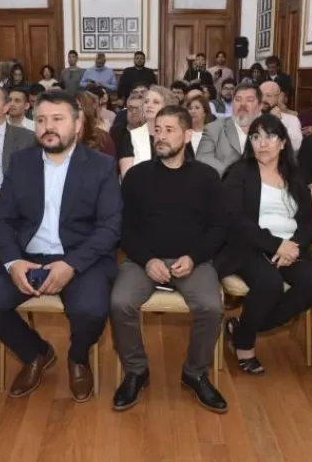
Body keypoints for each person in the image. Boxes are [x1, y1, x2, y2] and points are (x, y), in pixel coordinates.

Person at [0, 91, 122, 403]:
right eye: (40, 120)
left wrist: (71, 264)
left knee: (91, 310)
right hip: (29, 257)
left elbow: (110, 227)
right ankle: (35, 352)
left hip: (82, 258)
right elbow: (2, 220)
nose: (48, 127)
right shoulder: (21, 162)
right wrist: (13, 262)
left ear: (77, 124)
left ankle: (78, 357)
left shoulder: (101, 166)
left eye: (57, 119)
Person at [111, 105, 227, 413]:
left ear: (187, 136)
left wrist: (194, 257)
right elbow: (124, 228)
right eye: (157, 130)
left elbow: (219, 228)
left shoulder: (207, 177)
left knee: (211, 307)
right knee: (120, 302)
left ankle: (195, 372)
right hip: (143, 260)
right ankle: (136, 371)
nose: (160, 136)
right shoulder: (136, 176)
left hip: (193, 261)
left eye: (169, 130)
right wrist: (147, 260)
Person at [216, 114, 312, 374]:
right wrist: (275, 245)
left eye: (270, 136)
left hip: (290, 247)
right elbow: (234, 219)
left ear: (283, 142)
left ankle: (243, 329)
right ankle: (245, 345)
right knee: (270, 282)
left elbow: (308, 222)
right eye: (256, 137)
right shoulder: (239, 172)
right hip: (249, 245)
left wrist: (294, 246)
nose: (263, 143)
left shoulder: (295, 175)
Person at [196, 83, 263, 177]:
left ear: (260, 106)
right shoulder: (215, 128)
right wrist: (231, 174)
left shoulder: (268, 131)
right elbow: (202, 157)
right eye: (238, 100)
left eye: (249, 100)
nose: (242, 104)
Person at [118, 85, 181, 177]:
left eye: (156, 102)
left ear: (167, 107)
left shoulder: (178, 136)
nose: (149, 105)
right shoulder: (131, 137)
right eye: (146, 102)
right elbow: (127, 176)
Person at [259, 80, 302, 152]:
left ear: (278, 97)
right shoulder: (251, 117)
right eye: (260, 95)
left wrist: (279, 121)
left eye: (268, 95)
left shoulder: (292, 119)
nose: (263, 99)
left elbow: (296, 145)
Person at [75, 90, 117, 159]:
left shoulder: (103, 139)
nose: (73, 113)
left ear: (87, 112)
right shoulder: (59, 139)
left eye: (78, 109)